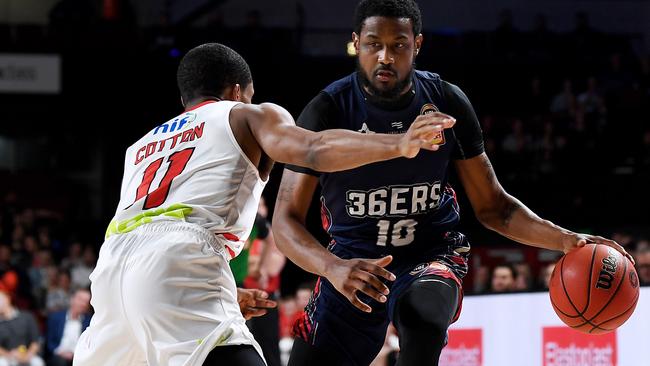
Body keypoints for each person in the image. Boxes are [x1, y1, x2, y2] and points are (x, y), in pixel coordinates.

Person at [272, 1, 634, 365]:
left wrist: (567, 239)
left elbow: (495, 209)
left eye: (398, 44)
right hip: (351, 262)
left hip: (429, 254)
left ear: (417, 44)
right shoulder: (327, 109)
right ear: (356, 43)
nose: (385, 56)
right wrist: (331, 266)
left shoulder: (445, 102)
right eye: (373, 44)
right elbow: (285, 223)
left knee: (423, 321)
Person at [72, 42, 451, 366]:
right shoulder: (245, 114)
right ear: (238, 91)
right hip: (180, 257)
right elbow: (313, 148)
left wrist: (220, 290)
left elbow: (150, 241)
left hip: (111, 271)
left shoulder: (140, 146)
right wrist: (399, 145)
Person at [46, 288, 92, 366]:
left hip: (79, 357)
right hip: (58, 355)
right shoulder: (56, 317)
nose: (83, 304)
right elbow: (49, 342)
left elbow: (88, 345)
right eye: (80, 299)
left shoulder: (89, 322)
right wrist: (60, 352)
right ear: (72, 299)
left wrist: (75, 354)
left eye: (86, 301)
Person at [0, 290, 44, 366]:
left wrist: (27, 355)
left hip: (28, 355)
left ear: (8, 299)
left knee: (37, 363)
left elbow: (36, 341)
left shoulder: (27, 317)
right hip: (7, 357)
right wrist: (9, 354)